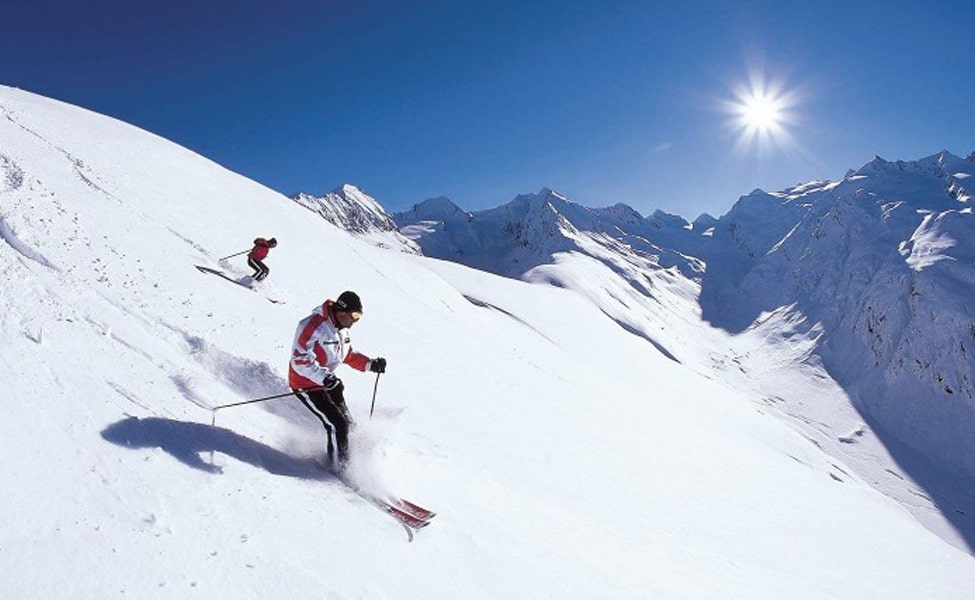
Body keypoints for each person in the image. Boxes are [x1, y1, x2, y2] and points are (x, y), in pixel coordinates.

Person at [288, 290, 386, 473]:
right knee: (337, 425)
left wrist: (370, 364)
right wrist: (323, 377)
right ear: (342, 311)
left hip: (329, 383)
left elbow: (346, 355)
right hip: (306, 383)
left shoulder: (341, 329)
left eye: (360, 316)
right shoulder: (312, 325)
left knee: (349, 425)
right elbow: (299, 359)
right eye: (355, 315)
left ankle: (352, 461)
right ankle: (339, 469)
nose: (356, 320)